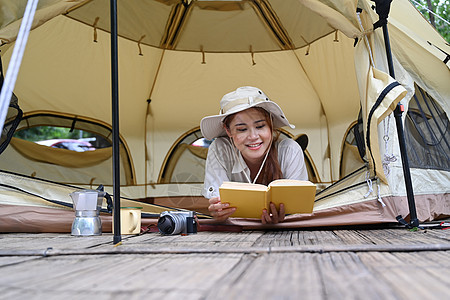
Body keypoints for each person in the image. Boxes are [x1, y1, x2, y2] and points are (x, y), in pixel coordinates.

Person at [200, 86, 308, 224]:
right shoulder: (220, 150)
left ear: (270, 124)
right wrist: (218, 211)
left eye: (260, 126)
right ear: (228, 131)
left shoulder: (290, 151)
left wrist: (285, 217)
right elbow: (217, 201)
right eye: (242, 129)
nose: (253, 136)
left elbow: (300, 209)